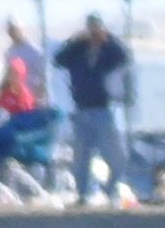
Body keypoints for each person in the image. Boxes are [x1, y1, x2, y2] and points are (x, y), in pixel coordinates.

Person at [53, 14, 132, 205]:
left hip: (105, 109)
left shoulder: (109, 51)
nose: (94, 33)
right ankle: (83, 194)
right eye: (91, 29)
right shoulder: (78, 50)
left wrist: (108, 38)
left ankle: (111, 187)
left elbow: (124, 56)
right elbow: (58, 60)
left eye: (97, 29)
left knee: (117, 154)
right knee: (81, 155)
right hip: (82, 109)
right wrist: (74, 40)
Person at [4, 18, 47, 102]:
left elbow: (43, 74)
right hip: (16, 98)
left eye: (14, 29)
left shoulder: (33, 50)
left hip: (33, 96)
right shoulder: (9, 51)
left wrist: (40, 92)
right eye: (10, 30)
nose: (12, 33)